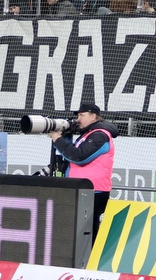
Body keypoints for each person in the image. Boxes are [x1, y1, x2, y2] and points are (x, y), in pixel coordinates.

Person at [48, 103, 118, 243]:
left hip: (93, 192)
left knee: (87, 233)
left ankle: (91, 261)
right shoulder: (89, 134)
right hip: (82, 190)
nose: (78, 119)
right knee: (77, 233)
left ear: (93, 117)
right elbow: (70, 154)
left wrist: (57, 139)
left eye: (81, 115)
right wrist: (66, 137)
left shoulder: (100, 135)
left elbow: (78, 156)